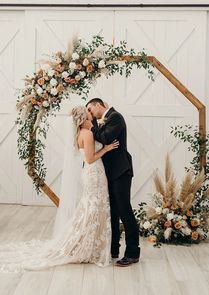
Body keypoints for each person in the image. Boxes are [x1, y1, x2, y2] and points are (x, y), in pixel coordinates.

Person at [0, 106, 119, 273]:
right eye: (88, 113)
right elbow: (91, 159)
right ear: (83, 117)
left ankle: (89, 244)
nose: (91, 115)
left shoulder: (80, 133)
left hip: (90, 174)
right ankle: (89, 247)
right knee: (94, 208)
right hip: (94, 173)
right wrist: (106, 149)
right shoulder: (88, 133)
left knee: (90, 208)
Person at [82, 98, 140, 267]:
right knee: (112, 211)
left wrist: (92, 127)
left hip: (121, 171)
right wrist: (92, 124)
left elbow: (106, 138)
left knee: (124, 210)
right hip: (108, 173)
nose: (91, 114)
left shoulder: (116, 117)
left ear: (99, 105)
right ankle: (113, 248)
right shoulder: (99, 121)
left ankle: (132, 253)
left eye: (91, 110)